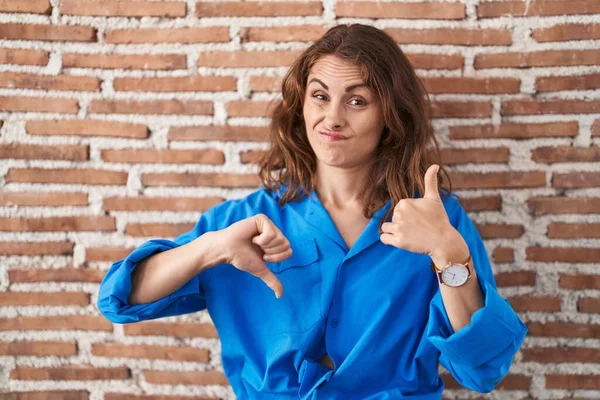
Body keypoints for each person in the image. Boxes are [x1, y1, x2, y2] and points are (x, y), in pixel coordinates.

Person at [97, 23, 527, 399]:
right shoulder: (245, 220)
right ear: (301, 105)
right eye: (320, 96)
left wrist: (450, 257)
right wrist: (210, 248)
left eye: (357, 101)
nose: (332, 118)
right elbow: (120, 299)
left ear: (391, 115)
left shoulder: (437, 220)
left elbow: (483, 370)